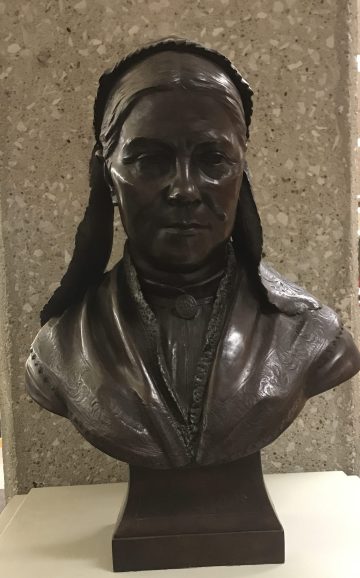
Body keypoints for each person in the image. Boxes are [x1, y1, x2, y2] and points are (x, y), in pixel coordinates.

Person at [26, 38, 360, 469]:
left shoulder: (310, 336)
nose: (184, 189)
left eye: (213, 160)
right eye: (150, 160)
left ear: (241, 172)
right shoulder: (63, 346)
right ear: (108, 177)